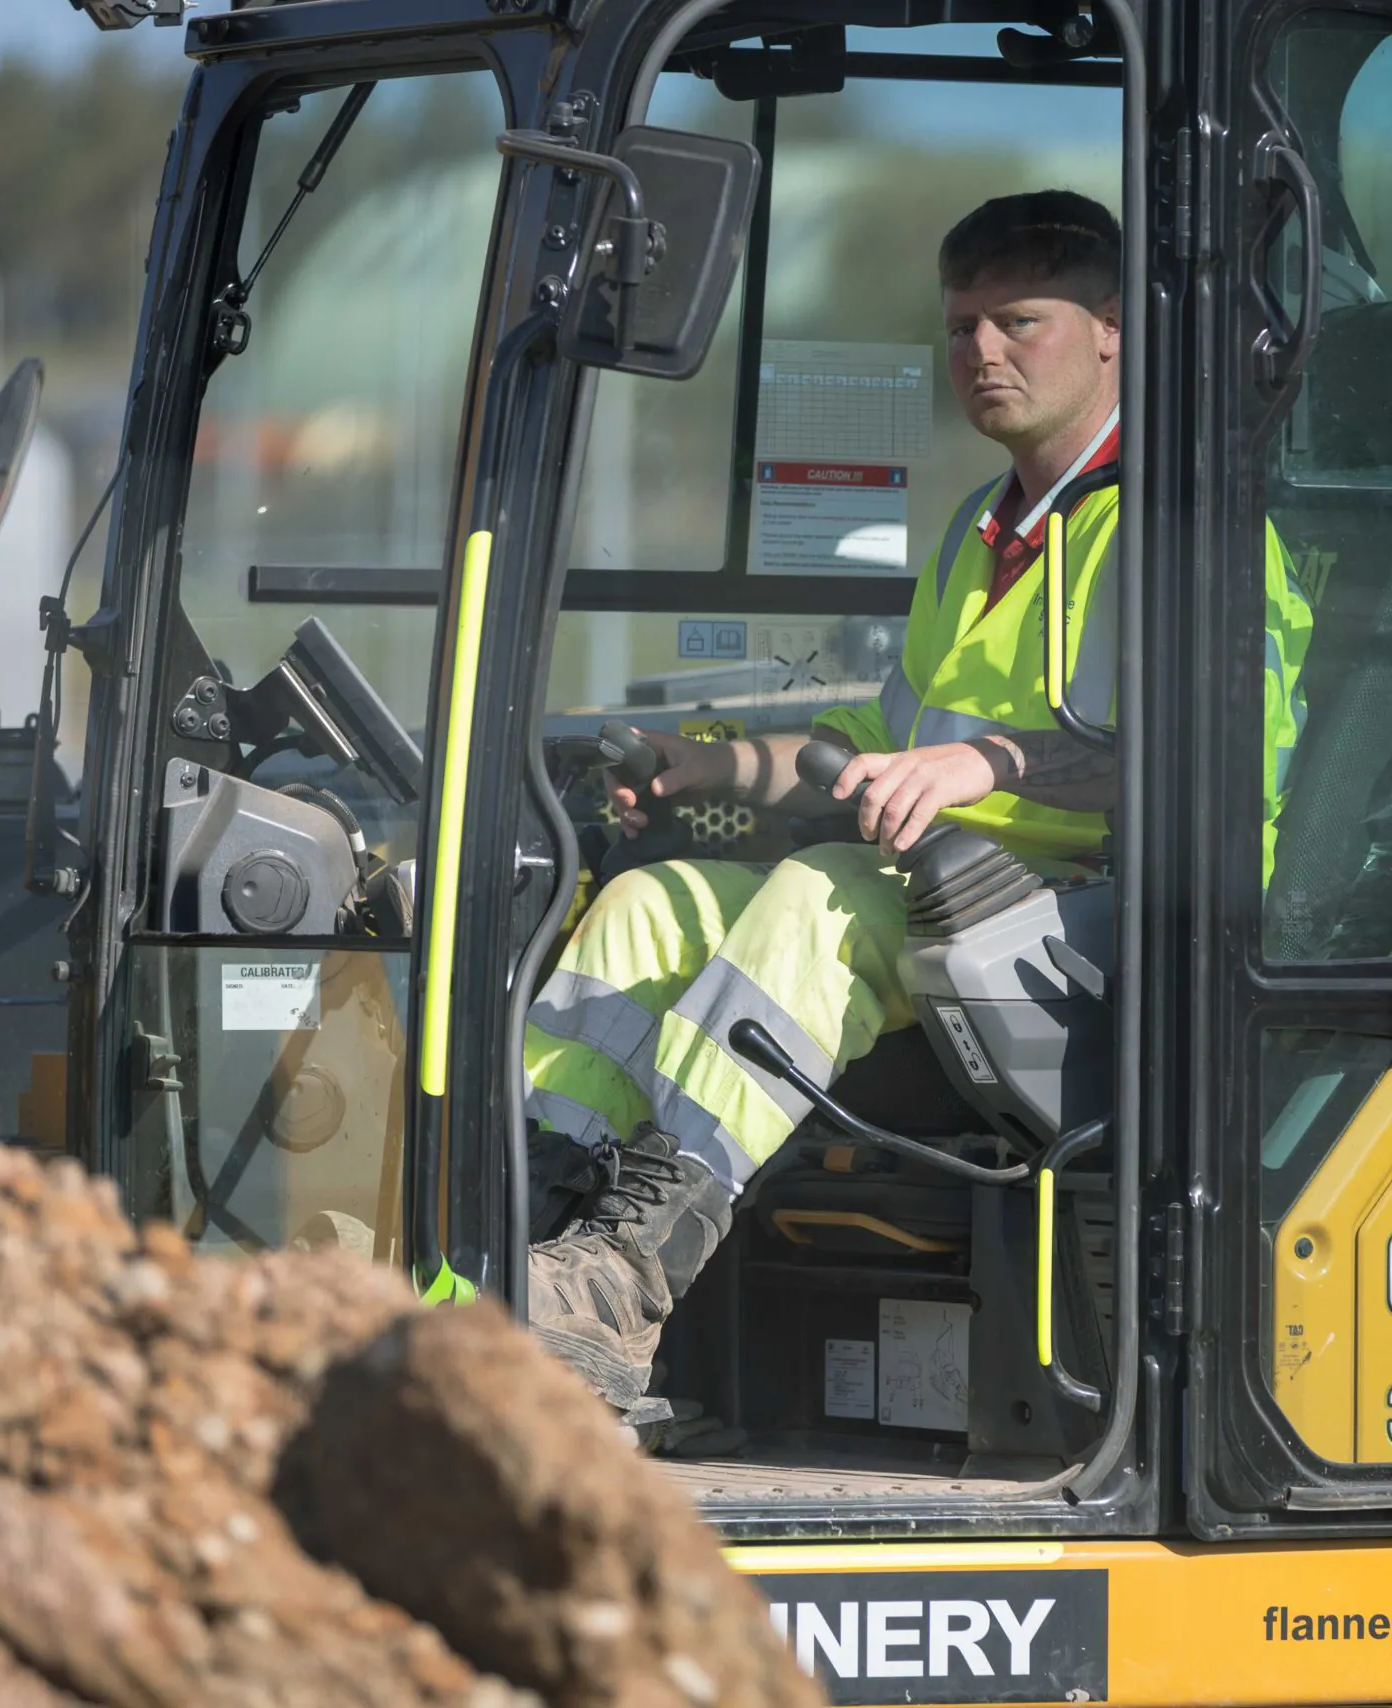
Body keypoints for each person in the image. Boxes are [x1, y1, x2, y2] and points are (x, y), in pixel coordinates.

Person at [518, 190, 1310, 1418]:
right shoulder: (982, 532)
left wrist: (986, 768)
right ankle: (531, 1232)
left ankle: (628, 1279)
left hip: (1124, 930)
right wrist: (711, 765)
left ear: (1112, 331)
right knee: (651, 901)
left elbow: (1210, 759)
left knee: (821, 892)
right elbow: (878, 749)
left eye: (1019, 322)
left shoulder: (1184, 523)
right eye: (959, 329)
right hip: (949, 905)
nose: (980, 355)